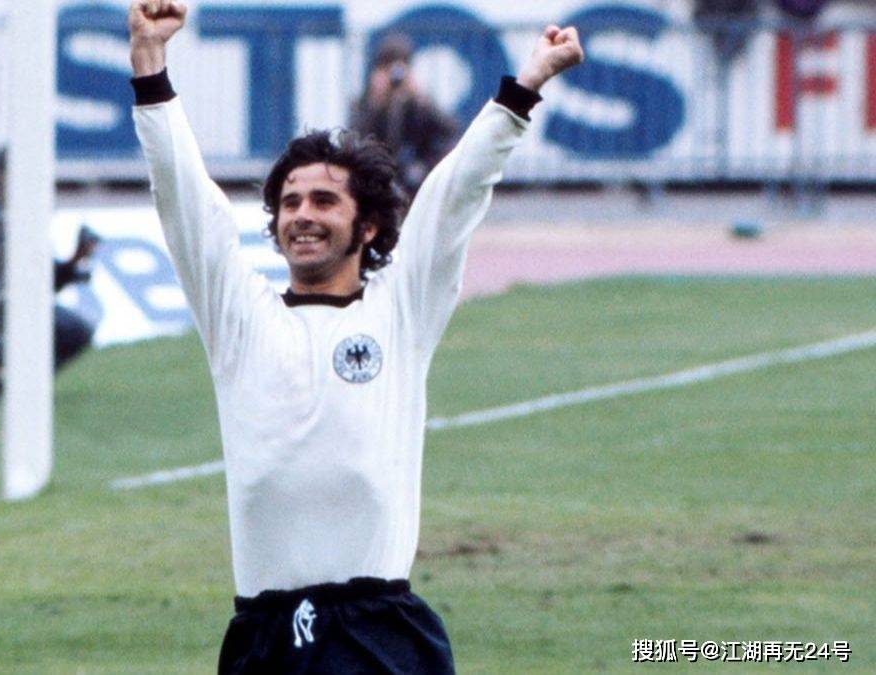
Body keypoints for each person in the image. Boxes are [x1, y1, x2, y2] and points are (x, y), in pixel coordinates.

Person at [127, 2, 584, 672]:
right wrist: (149, 64)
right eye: (289, 202)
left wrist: (526, 86)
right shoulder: (238, 318)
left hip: (378, 628)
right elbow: (184, 198)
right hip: (265, 632)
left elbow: (456, 192)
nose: (302, 215)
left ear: (367, 226)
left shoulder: (400, 308)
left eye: (323, 201)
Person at [0, 150, 98, 373]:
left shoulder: (29, 220)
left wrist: (76, 259)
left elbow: (43, 282)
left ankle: (21, 380)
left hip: (19, 303)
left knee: (76, 330)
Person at [350, 34, 458, 194]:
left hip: (414, 173)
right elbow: (356, 137)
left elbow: (449, 130)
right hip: (377, 174)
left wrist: (421, 100)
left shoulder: (418, 101)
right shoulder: (365, 102)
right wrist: (377, 102)